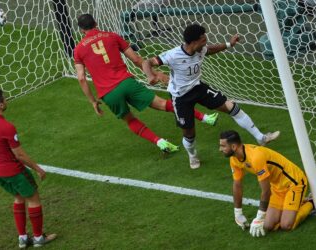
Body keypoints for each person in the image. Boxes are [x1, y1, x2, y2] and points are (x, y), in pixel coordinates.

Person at [74, 14, 218, 154]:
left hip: (108, 93)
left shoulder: (78, 49)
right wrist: (156, 73)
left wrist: (93, 101)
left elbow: (81, 78)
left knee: (130, 120)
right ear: (96, 23)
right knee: (163, 104)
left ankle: (160, 142)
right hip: (126, 83)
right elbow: (136, 59)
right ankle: (204, 117)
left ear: (81, 30)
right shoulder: (112, 36)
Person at [142, 23, 280, 168]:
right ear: (193, 42)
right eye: (203, 40)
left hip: (198, 88)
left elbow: (210, 50)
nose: (205, 42)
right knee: (189, 133)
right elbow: (147, 62)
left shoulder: (200, 49)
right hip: (180, 96)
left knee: (231, 107)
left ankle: (261, 137)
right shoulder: (173, 55)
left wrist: (229, 44)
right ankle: (193, 155)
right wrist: (150, 75)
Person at [0, 89, 56, 248]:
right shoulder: (7, 127)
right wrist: (37, 168)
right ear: (1, 105)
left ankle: (22, 238)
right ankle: (38, 238)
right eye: (4, 99)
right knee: (33, 198)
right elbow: (19, 155)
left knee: (18, 197)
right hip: (13, 170)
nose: (6, 101)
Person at [219, 130, 314, 237]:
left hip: (294, 183)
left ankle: (311, 202)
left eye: (223, 146)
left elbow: (266, 190)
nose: (220, 149)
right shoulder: (234, 159)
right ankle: (296, 203)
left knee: (286, 225)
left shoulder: (256, 157)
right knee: (268, 225)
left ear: (233, 147)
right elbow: (237, 185)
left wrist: (259, 217)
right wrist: (238, 213)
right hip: (277, 187)